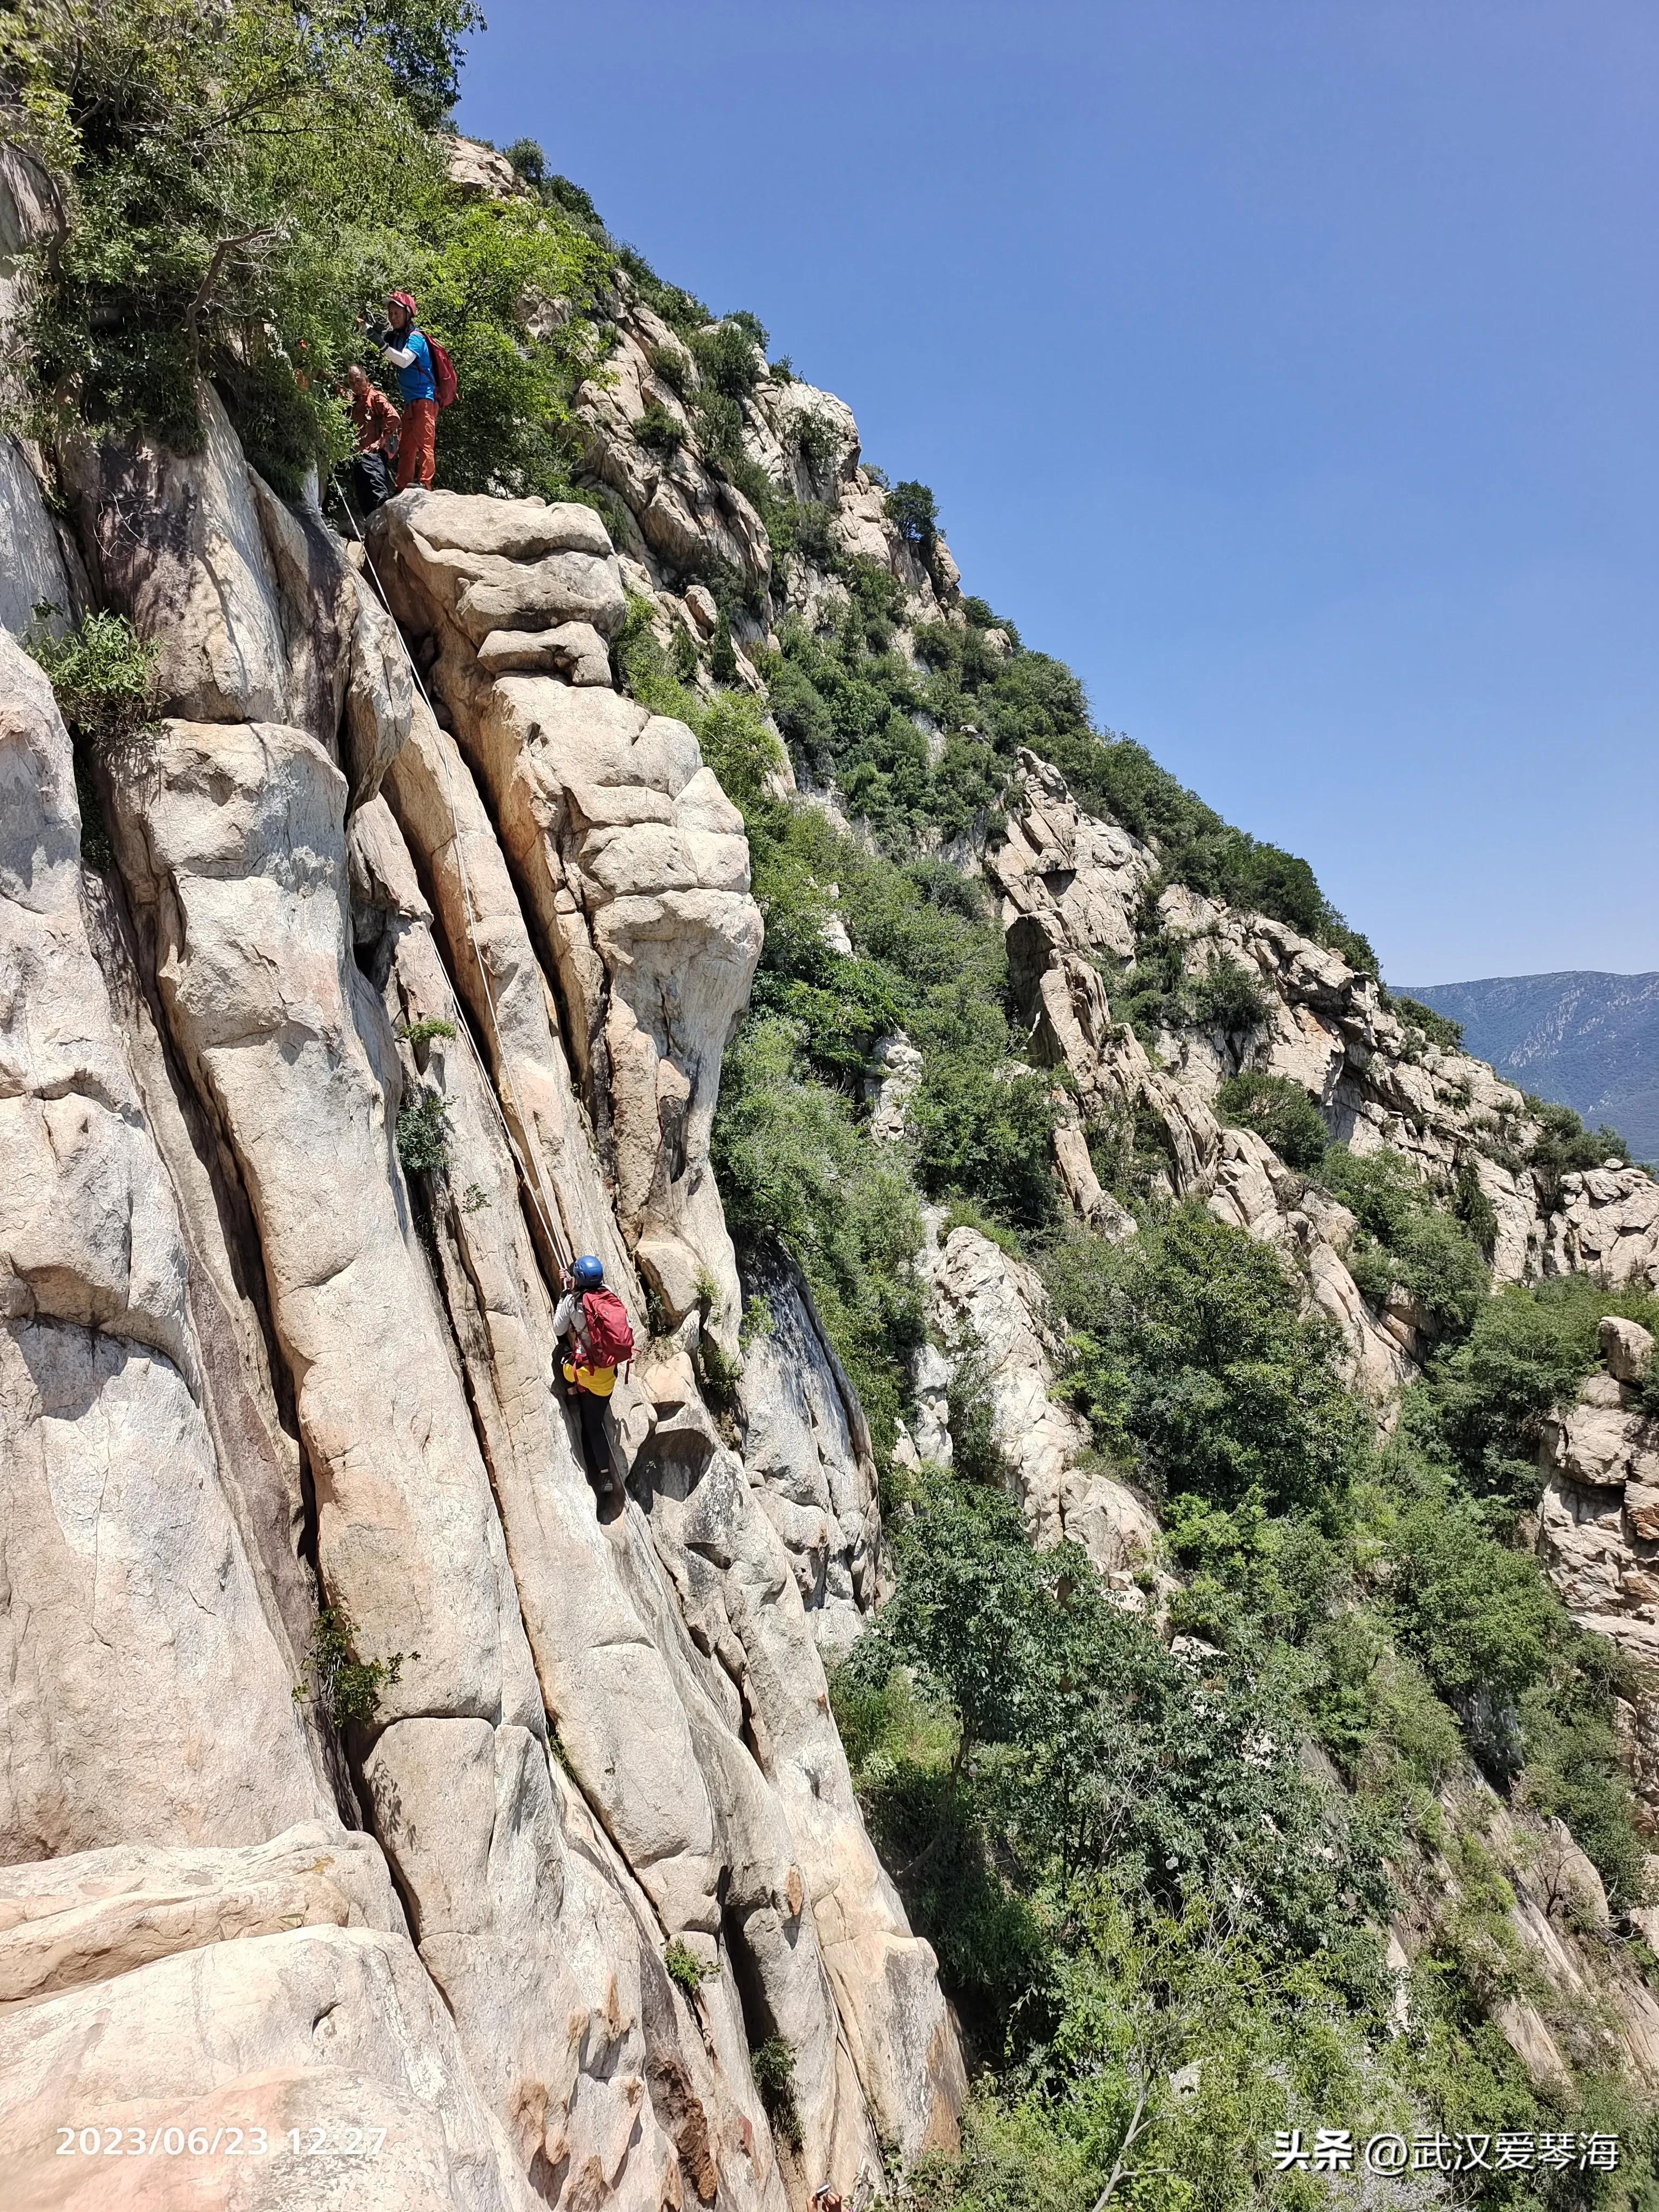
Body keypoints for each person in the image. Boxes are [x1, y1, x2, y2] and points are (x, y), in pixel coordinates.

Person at [550, 1255, 623, 1498]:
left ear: (579, 1279)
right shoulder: (609, 1294)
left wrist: (565, 1296)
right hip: (610, 1372)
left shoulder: (572, 1302)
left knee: (592, 1426)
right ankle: (603, 1474)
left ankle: (604, 1475)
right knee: (596, 1417)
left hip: (588, 1375)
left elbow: (559, 1329)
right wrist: (572, 1284)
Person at [365, 291, 437, 491]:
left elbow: (404, 361)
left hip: (425, 400)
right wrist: (369, 327)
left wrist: (380, 343)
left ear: (408, 314)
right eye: (390, 313)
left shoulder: (417, 339)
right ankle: (402, 487)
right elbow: (371, 332)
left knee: (424, 445)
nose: (392, 317)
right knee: (406, 447)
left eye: (397, 313)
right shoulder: (397, 338)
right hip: (411, 403)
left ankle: (425, 484)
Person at [343, 364, 399, 512]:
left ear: (366, 379)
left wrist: (380, 441)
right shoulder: (354, 401)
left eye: (358, 380)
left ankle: (385, 529)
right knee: (364, 498)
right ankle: (371, 531)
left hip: (373, 455)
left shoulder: (376, 398)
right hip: (357, 456)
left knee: (377, 494)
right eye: (351, 382)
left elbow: (394, 417)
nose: (355, 385)